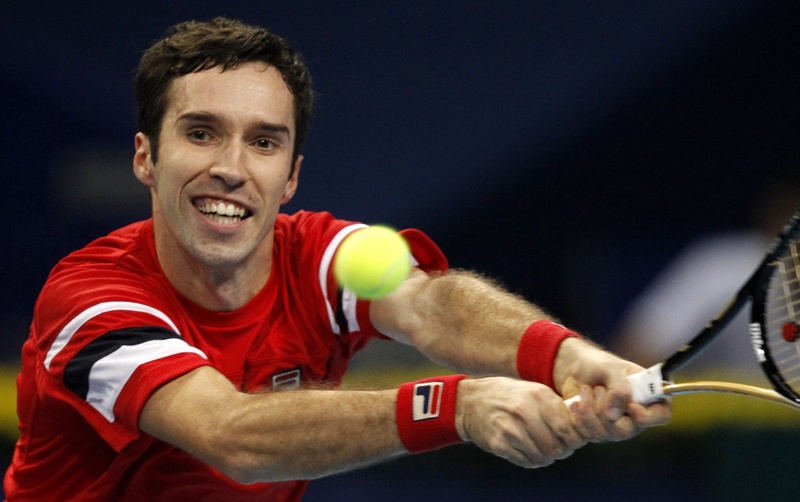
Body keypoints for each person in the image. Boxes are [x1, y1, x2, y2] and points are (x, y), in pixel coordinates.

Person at [3, 17, 669, 501]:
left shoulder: (317, 256)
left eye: (263, 143)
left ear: (290, 177)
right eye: (202, 133)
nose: (232, 168)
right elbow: (229, 433)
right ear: (146, 156)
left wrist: (567, 358)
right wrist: (459, 407)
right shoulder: (91, 299)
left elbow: (429, 303)